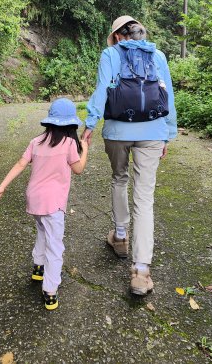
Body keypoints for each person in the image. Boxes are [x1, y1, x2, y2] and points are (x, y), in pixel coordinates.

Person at [82, 15, 177, 296]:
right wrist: (168, 133)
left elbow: (101, 91)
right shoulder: (157, 54)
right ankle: (141, 271)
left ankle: (120, 237)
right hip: (153, 131)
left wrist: (89, 125)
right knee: (145, 198)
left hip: (117, 131)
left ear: (117, 36)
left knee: (119, 178)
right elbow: (168, 95)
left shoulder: (110, 54)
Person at [0, 98, 89, 310]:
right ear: (72, 124)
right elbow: (79, 169)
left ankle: (38, 268)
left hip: (34, 199)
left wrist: (2, 186)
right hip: (53, 204)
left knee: (42, 231)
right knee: (55, 246)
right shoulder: (70, 144)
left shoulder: (36, 142)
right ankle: (50, 291)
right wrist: (86, 149)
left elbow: (20, 164)